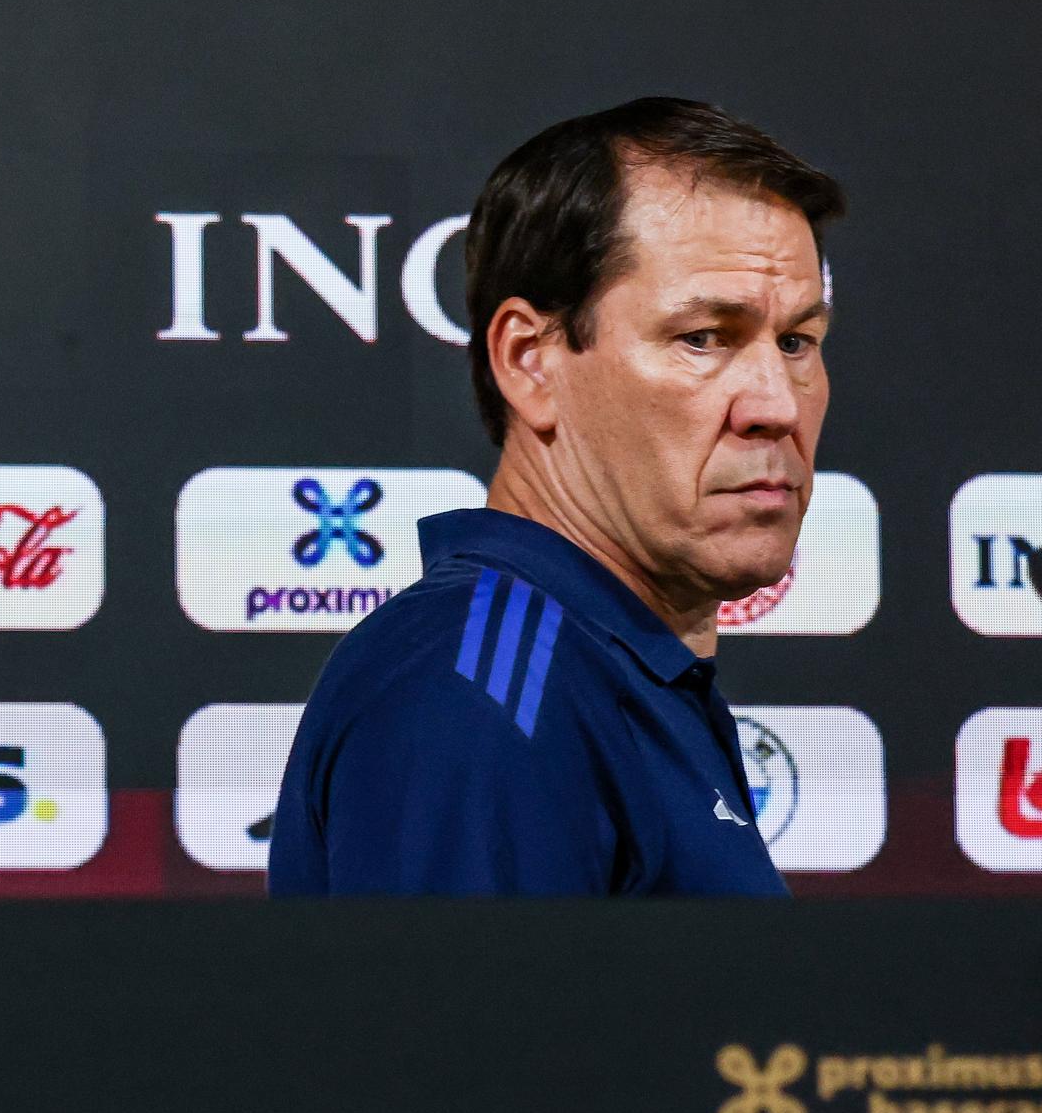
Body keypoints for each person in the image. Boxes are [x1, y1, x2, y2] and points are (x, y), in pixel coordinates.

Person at [267, 98, 844, 896]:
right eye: (703, 337)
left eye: (796, 342)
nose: (776, 404)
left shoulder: (595, 667)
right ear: (530, 361)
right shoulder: (485, 693)